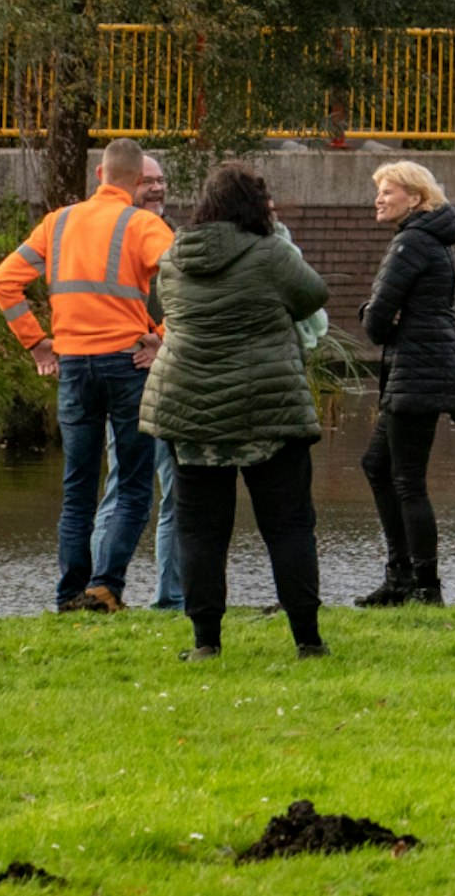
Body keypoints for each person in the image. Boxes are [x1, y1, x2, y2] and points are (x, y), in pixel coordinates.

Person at [140, 163, 328, 661]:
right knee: (287, 526)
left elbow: (161, 311)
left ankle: (206, 642)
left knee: (199, 531)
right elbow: (314, 295)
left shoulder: (175, 256)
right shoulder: (270, 255)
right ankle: (307, 640)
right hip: (268, 407)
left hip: (191, 410)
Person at [0, 136, 176, 615]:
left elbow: (4, 282)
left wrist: (36, 342)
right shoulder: (143, 223)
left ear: (99, 175)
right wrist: (161, 336)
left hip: (73, 364)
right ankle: (105, 586)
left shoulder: (57, 223)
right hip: (128, 363)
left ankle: (69, 593)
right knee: (134, 485)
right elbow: (186, 279)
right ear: (138, 182)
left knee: (77, 488)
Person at [353, 160, 455, 607]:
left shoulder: (411, 243)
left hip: (416, 372)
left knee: (407, 481)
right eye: (378, 191)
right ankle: (400, 578)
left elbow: (378, 320)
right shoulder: (432, 239)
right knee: (376, 465)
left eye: (388, 190)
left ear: (416, 198)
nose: (379, 198)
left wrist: (371, 314)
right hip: (425, 368)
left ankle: (424, 586)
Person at [130, 152, 185, 613]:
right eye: (148, 180)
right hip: (128, 374)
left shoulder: (173, 238)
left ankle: (169, 594)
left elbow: (185, 306)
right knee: (123, 489)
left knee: (174, 489)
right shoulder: (120, 236)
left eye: (162, 180)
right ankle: (102, 588)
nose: (158, 188)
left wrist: (162, 338)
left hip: (169, 380)